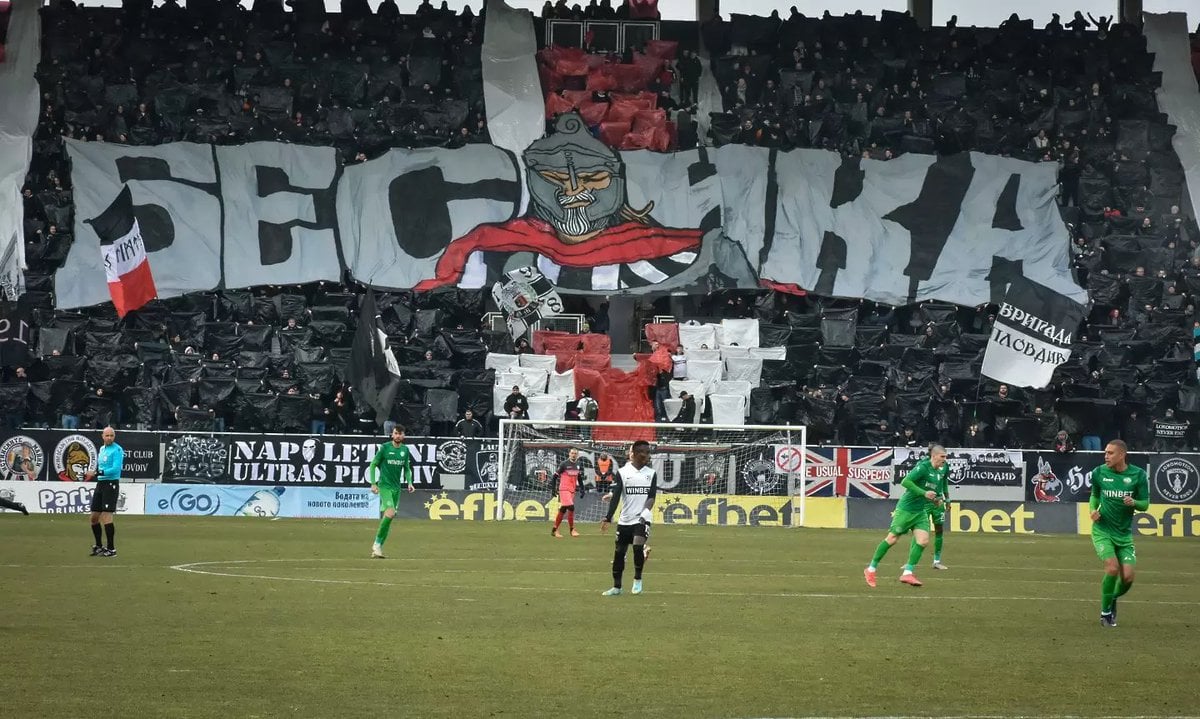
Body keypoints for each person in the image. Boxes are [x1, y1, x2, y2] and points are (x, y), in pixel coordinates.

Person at [864, 445, 948, 588]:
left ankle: (907, 573)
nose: (944, 460)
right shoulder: (923, 467)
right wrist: (924, 493)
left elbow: (933, 491)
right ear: (934, 456)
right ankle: (871, 569)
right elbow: (905, 482)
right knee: (892, 539)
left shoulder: (938, 473)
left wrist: (937, 499)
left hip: (920, 511)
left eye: (945, 457)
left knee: (923, 541)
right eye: (942, 457)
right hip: (906, 509)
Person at [1090, 440, 1149, 627]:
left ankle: (1112, 598)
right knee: (1112, 567)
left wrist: (1134, 502)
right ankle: (1105, 614)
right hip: (1102, 530)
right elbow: (1095, 495)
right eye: (1105, 453)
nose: (1106, 456)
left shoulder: (1138, 475)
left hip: (1123, 534)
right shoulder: (1099, 472)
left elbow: (1145, 504)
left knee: (1128, 578)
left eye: (1110, 453)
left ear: (1122, 455)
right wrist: (1092, 510)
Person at [599, 441, 657, 596]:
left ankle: (637, 580)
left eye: (648, 452)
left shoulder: (651, 473)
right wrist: (608, 517)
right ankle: (617, 587)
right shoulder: (623, 472)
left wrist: (645, 512)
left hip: (642, 518)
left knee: (638, 547)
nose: (648, 455)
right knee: (619, 553)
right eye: (645, 452)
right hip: (625, 519)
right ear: (636, 454)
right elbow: (616, 496)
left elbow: (651, 496)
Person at [368, 425, 416, 559]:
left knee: (389, 517)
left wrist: (410, 482)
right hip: (384, 486)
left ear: (403, 436)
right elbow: (373, 464)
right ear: (392, 435)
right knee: (390, 513)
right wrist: (373, 483)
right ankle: (376, 545)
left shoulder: (405, 450)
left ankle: (378, 548)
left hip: (396, 488)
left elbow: (407, 468)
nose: (398, 436)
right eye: (395, 433)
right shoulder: (384, 448)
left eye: (400, 434)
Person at [85, 427, 123, 557]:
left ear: (114, 436)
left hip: (111, 484)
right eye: (107, 435)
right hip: (101, 483)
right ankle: (99, 546)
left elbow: (115, 469)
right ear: (102, 436)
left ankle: (111, 549)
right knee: (94, 517)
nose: (109, 438)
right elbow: (102, 466)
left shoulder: (117, 450)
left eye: (112, 435)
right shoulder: (102, 449)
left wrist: (97, 473)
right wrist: (96, 473)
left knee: (106, 516)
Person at [550, 448, 583, 538]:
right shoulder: (564, 464)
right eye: (572, 453)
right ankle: (572, 529)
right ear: (569, 454)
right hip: (564, 489)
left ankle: (554, 530)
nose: (573, 455)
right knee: (571, 507)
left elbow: (579, 478)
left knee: (563, 509)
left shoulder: (578, 464)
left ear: (577, 455)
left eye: (575, 453)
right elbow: (554, 477)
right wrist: (553, 489)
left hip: (572, 490)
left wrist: (582, 489)